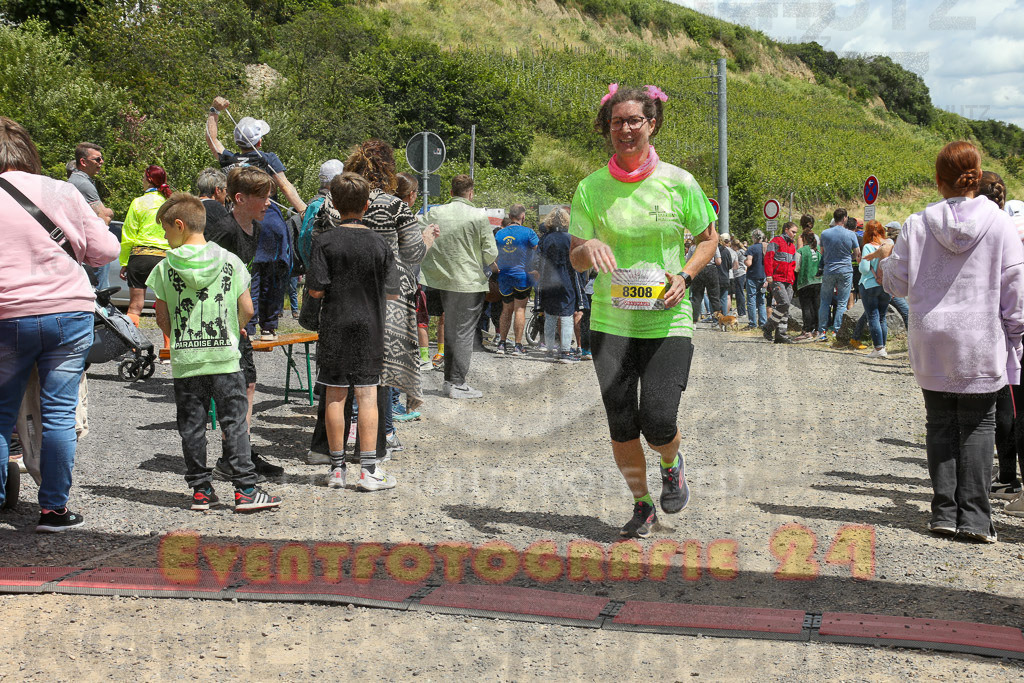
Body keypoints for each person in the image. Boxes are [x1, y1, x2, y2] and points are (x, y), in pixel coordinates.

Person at [569, 84, 718, 538]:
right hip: (610, 322)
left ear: (652, 125)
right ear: (607, 128)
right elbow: (576, 256)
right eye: (617, 121)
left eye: (634, 120)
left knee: (658, 419)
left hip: (667, 318)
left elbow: (708, 239)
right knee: (621, 423)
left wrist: (685, 275)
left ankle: (671, 462)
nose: (626, 129)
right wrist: (589, 248)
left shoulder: (680, 182)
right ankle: (642, 504)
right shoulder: (591, 187)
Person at [878, 140, 1024, 543]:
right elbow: (1015, 286)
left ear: (938, 180)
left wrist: (883, 259)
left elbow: (896, 282)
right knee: (979, 424)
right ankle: (975, 518)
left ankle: (943, 512)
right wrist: (1016, 335)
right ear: (976, 176)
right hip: (981, 337)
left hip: (931, 339)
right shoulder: (999, 224)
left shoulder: (917, 223)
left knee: (939, 421)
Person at [0, 117, 121, 530]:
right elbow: (105, 251)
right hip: (68, 312)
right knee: (58, 414)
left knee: (1, 414)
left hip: (6, 315)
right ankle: (53, 509)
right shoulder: (62, 190)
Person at [148, 193, 282, 512]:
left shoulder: (165, 268)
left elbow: (162, 316)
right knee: (234, 422)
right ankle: (245, 491)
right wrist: (233, 330)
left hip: (187, 361)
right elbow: (247, 309)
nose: (165, 237)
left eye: (166, 229)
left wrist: (179, 336)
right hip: (224, 357)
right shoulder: (230, 261)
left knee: (192, 426)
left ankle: (200, 491)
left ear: (180, 225)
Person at [307, 173, 401, 491]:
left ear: (334, 203)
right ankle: (369, 471)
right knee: (367, 395)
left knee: (335, 394)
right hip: (370, 326)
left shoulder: (324, 241)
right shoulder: (379, 243)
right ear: (366, 206)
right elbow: (393, 292)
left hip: (334, 324)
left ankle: (337, 470)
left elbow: (316, 290)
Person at [343, 140, 437, 451]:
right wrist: (426, 238)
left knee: (347, 367)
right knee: (381, 369)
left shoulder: (335, 201)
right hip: (388, 296)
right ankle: (383, 433)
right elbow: (412, 253)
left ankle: (346, 431)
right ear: (388, 169)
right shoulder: (394, 206)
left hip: (344, 294)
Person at [204, 167, 284, 479]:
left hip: (239, 322)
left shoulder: (257, 229)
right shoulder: (224, 231)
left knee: (248, 383)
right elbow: (207, 276)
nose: (269, 203)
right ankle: (232, 458)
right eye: (263, 197)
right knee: (232, 390)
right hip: (220, 323)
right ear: (240, 198)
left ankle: (240, 451)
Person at [206, 97, 304, 341]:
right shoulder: (267, 158)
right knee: (274, 274)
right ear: (259, 141)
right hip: (269, 220)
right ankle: (269, 327)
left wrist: (214, 111)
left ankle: (247, 328)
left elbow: (212, 140)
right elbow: (285, 186)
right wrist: (304, 210)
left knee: (246, 275)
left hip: (240, 222)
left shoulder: (230, 160)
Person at [419, 174, 498, 399]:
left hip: (439, 281)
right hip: (469, 283)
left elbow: (419, 235)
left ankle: (449, 381)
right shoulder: (478, 216)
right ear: (470, 193)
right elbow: (490, 252)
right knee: (463, 333)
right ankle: (457, 383)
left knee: (451, 330)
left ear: (451, 192)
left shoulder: (435, 213)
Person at [975, 171, 1024, 511]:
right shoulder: (1009, 227)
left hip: (1005, 332)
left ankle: (1008, 478)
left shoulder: (993, 230)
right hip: (1012, 327)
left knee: (1009, 409)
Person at [118, 165, 172, 328]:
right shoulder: (169, 203)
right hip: (164, 258)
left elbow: (128, 234)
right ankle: (168, 344)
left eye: (143, 178)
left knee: (135, 306)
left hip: (140, 256)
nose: (142, 181)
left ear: (149, 180)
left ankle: (131, 341)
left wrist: (124, 262)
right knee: (164, 308)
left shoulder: (138, 202)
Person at [494, 203, 539, 356]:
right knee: (520, 309)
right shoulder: (529, 232)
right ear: (523, 216)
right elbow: (539, 250)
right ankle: (518, 346)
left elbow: (493, 254)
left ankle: (502, 344)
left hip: (504, 275)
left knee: (506, 309)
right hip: (522, 275)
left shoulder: (500, 234)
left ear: (509, 216)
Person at [68, 142, 115, 288]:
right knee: (100, 291)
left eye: (101, 158)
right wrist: (110, 212)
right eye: (97, 159)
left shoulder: (78, 181)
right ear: (83, 162)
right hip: (91, 246)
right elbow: (104, 218)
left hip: (84, 245)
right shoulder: (83, 184)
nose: (101, 162)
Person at [539, 208, 582, 363]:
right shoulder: (570, 238)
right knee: (566, 315)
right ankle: (565, 352)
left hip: (548, 280)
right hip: (566, 279)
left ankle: (549, 350)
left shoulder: (545, 238)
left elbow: (539, 260)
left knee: (550, 316)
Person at [816, 208, 861, 340]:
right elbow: (857, 253)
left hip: (829, 269)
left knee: (825, 301)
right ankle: (836, 331)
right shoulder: (851, 234)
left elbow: (822, 252)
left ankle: (822, 332)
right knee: (842, 302)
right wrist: (849, 257)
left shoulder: (825, 233)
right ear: (845, 218)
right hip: (845, 270)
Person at [857, 220, 893, 358]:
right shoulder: (889, 245)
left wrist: (860, 262)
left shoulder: (868, 247)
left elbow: (865, 269)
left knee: (873, 316)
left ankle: (878, 348)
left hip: (869, 285)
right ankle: (883, 348)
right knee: (882, 317)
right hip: (885, 285)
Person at [763, 221, 797, 344]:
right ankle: (768, 327)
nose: (794, 234)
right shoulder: (775, 241)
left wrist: (792, 279)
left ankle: (780, 335)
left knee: (785, 308)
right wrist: (769, 275)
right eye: (793, 232)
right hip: (777, 278)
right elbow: (768, 258)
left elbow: (793, 264)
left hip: (788, 280)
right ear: (786, 229)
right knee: (784, 303)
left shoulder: (792, 246)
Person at [793, 230, 821, 341]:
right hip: (819, 281)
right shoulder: (819, 249)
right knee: (817, 306)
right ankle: (817, 330)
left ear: (804, 239)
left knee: (807, 307)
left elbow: (796, 268)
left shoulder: (801, 251)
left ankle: (807, 331)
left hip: (805, 281)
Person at [744, 229, 767, 329]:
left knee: (751, 300)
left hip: (752, 276)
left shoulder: (751, 248)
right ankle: (763, 323)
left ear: (753, 237)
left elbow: (749, 263)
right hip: (763, 276)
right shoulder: (766, 247)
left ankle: (752, 323)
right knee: (761, 300)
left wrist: (745, 261)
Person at [731, 237, 747, 319]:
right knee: (740, 292)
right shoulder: (743, 251)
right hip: (743, 273)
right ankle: (741, 310)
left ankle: (742, 312)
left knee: (739, 293)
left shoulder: (738, 253)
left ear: (735, 246)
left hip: (738, 273)